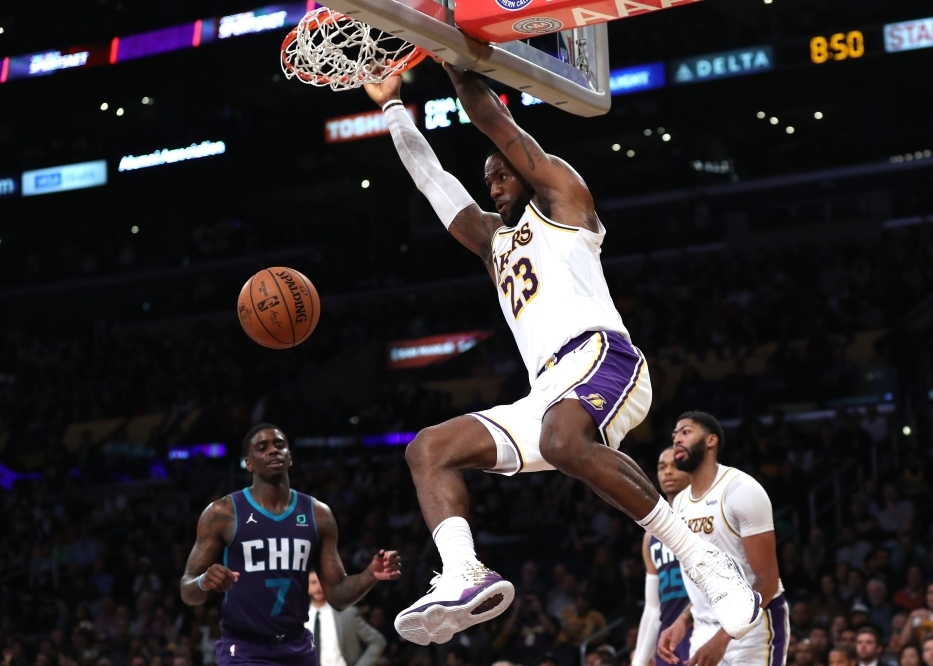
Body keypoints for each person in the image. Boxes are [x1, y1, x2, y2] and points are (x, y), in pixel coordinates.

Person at [362, 68, 760, 646]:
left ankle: (700, 558)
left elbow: (495, 121)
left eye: (503, 172)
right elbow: (431, 178)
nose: (495, 181)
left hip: (603, 354)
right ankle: (463, 572)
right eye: (489, 178)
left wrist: (454, 61)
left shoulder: (564, 200)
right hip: (546, 388)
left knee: (561, 441)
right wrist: (394, 106)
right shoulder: (491, 241)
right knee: (429, 448)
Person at [179, 424, 401, 666]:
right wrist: (203, 581)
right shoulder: (222, 513)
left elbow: (337, 595)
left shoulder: (318, 514)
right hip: (244, 649)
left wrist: (370, 575)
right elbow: (187, 590)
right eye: (262, 448)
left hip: (297, 647)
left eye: (280, 445)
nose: (273, 451)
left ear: (290, 458)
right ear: (249, 463)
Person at [657, 412, 785, 666]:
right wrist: (684, 619)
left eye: (685, 432)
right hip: (704, 626)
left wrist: (723, 639)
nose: (677, 440)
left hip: (752, 627)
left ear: (711, 440)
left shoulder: (741, 490)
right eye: (674, 436)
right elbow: (706, 577)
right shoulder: (680, 502)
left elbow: (767, 582)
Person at [633, 446, 693, 666]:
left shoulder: (705, 519)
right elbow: (652, 607)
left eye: (675, 465)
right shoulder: (650, 537)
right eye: (662, 467)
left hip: (703, 628)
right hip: (668, 641)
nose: (667, 472)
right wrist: (639, 660)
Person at [305, 571, 387, 666]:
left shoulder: (347, 614)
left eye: (321, 582)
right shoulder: (298, 618)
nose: (318, 587)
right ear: (306, 585)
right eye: (313, 582)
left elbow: (378, 641)